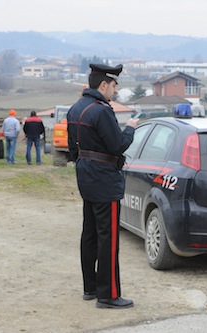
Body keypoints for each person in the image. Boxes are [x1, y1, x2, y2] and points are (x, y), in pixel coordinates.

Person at [67, 63, 139, 309]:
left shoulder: (75, 108)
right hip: (105, 179)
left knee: (89, 233)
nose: (115, 91)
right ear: (104, 84)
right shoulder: (102, 111)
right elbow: (117, 145)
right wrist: (130, 129)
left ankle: (91, 287)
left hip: (85, 176)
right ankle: (108, 295)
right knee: (107, 238)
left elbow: (72, 148)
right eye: (114, 86)